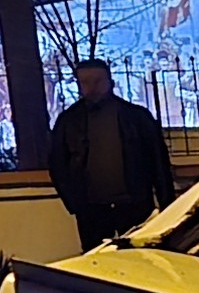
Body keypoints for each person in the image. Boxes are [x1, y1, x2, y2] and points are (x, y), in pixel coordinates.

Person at [46, 59, 174, 245]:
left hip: (134, 205)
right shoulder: (68, 121)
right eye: (85, 82)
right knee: (95, 263)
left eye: (98, 80)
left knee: (140, 260)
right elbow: (57, 163)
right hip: (92, 209)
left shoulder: (137, 117)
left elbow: (158, 161)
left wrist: (167, 202)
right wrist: (74, 203)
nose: (92, 87)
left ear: (110, 82)